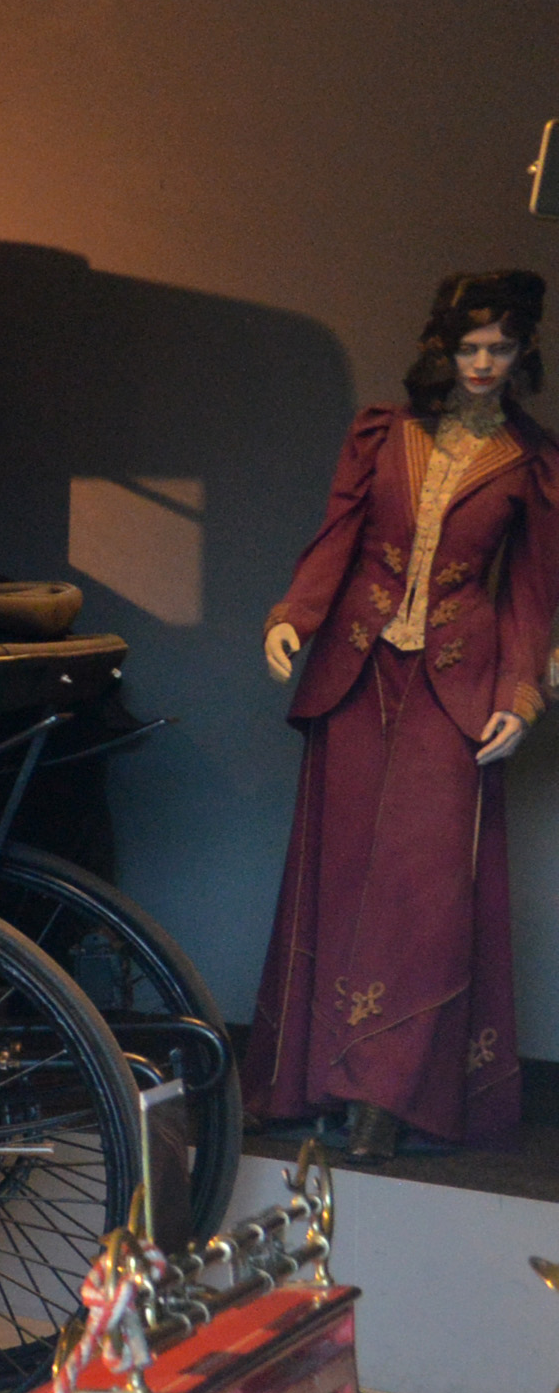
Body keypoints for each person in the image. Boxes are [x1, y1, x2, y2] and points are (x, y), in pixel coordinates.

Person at [248, 269, 559, 1156]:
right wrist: (294, 617)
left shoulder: (532, 461)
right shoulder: (385, 433)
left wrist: (520, 695)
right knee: (340, 878)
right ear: (443, 348)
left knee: (423, 895)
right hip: (358, 670)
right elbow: (337, 538)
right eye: (469, 347)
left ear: (523, 353)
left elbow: (532, 595)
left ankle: (386, 1096)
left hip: (457, 683)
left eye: (501, 348)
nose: (484, 363)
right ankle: (313, 1084)